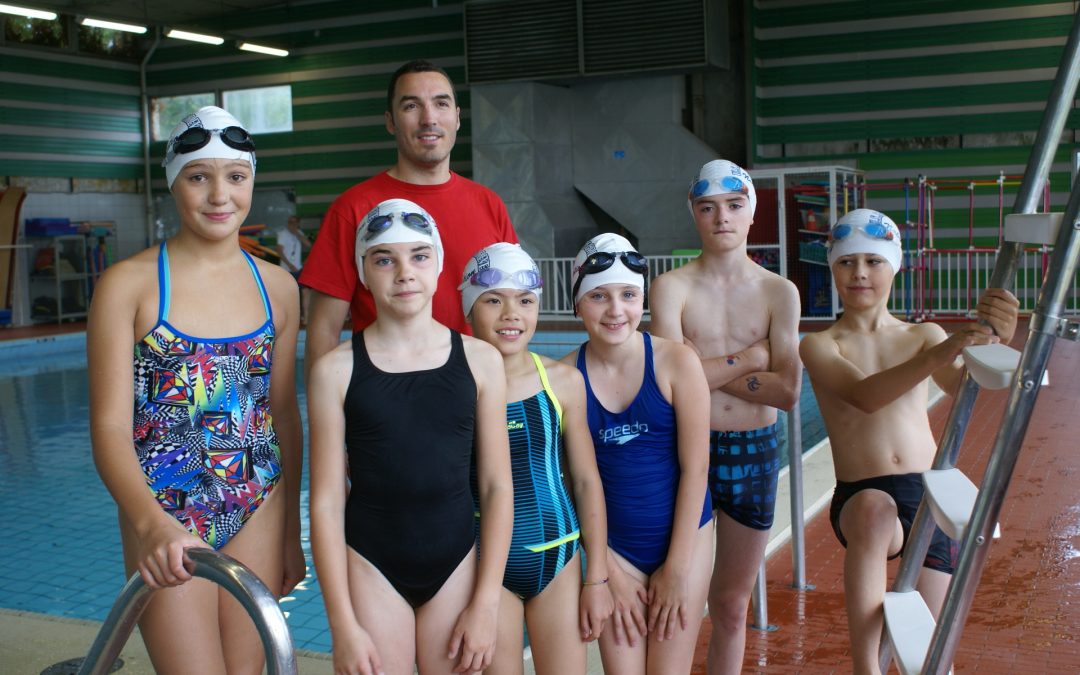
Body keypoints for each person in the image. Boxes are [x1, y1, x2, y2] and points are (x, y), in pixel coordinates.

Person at [87, 106, 305, 674]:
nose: (218, 195)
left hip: (259, 502)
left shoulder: (278, 287)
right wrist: (148, 522)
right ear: (173, 182)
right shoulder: (128, 286)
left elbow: (282, 414)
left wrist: (289, 534)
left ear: (252, 182)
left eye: (235, 177)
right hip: (164, 507)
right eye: (198, 176)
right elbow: (110, 428)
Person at [799, 208, 1019, 675]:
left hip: (927, 495)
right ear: (832, 267)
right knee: (876, 514)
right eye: (846, 262)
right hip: (863, 493)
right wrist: (945, 348)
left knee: (933, 657)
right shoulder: (821, 344)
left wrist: (999, 342)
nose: (859, 273)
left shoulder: (923, 334)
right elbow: (865, 396)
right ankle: (866, 668)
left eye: (873, 262)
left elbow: (963, 389)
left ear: (895, 265)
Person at [308, 198, 514, 675]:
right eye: (384, 259)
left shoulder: (481, 361)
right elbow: (325, 502)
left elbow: (497, 487)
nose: (404, 272)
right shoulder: (334, 370)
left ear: (439, 264)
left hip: (457, 565)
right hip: (371, 566)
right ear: (363, 272)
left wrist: (486, 604)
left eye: (419, 256)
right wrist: (342, 625)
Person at [649, 159, 802, 675]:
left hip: (754, 454)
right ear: (693, 213)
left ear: (752, 211)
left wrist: (697, 365)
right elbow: (669, 390)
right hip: (685, 450)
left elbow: (787, 392)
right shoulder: (671, 289)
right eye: (708, 207)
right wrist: (753, 357)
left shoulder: (779, 292)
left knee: (733, 605)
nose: (722, 218)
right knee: (677, 604)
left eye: (734, 206)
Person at [300, 59, 518, 378]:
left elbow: (512, 312)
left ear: (457, 117)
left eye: (441, 103)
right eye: (411, 106)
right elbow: (323, 332)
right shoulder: (354, 208)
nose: (429, 119)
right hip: (384, 396)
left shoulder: (489, 204)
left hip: (477, 393)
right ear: (390, 121)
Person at [561, 233, 714, 675]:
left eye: (628, 295)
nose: (615, 310)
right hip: (613, 548)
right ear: (577, 304)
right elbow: (572, 483)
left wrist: (677, 568)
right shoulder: (565, 377)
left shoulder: (676, 363)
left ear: (642, 299)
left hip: (685, 537)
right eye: (599, 296)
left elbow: (696, 469)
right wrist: (605, 569)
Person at [460, 243, 614, 675]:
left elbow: (585, 480)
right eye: (493, 300)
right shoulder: (452, 389)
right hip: (483, 566)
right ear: (469, 308)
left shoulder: (562, 381)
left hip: (559, 556)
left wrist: (596, 576)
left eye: (525, 301)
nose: (511, 313)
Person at [275, 214, 312, 322]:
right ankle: (287, 319)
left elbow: (308, 245)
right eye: (290, 222)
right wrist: (289, 264)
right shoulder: (283, 234)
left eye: (294, 222)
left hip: (298, 268)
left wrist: (296, 233)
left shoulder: (299, 233)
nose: (291, 225)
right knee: (288, 294)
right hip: (286, 269)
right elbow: (279, 250)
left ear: (297, 224)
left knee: (305, 291)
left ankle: (306, 317)